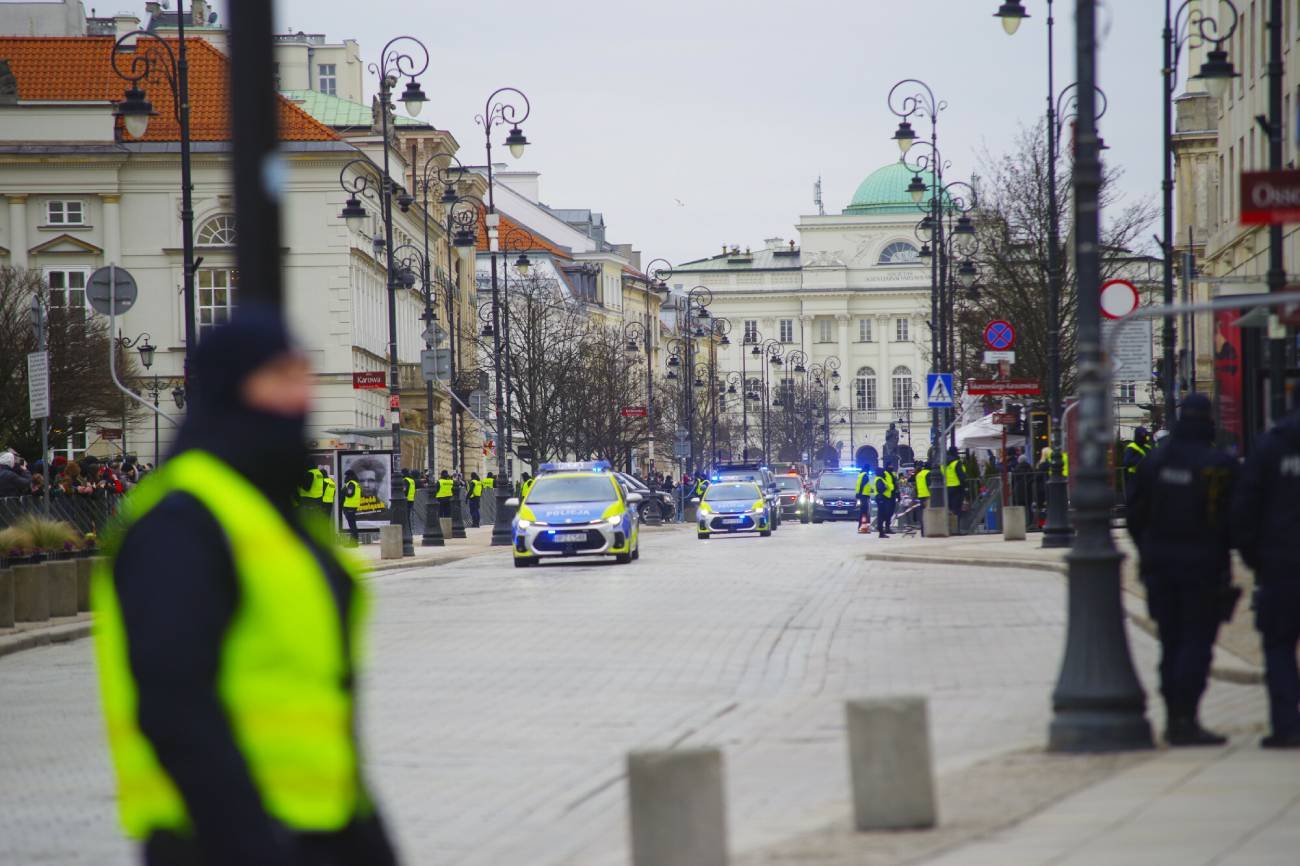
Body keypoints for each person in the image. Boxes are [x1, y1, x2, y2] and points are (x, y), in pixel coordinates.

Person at [91, 307, 398, 865]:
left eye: (302, 374)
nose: (299, 395)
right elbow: (173, 702)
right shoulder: (182, 517)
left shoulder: (276, 518)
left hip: (321, 827)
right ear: (232, 388)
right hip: (213, 838)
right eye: (278, 376)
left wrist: (367, 837)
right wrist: (249, 843)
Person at [1126, 394, 1236, 747]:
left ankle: (1174, 715)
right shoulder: (1217, 464)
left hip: (1159, 566)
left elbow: (1134, 515)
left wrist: (1147, 550)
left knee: (1170, 642)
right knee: (1196, 642)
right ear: (1208, 421)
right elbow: (1233, 519)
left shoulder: (1155, 461)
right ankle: (1186, 718)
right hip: (1204, 567)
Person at [1232, 397, 1300, 749]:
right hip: (1278, 562)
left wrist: (1257, 560)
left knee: (1278, 647)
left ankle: (1287, 726)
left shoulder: (1269, 448)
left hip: (1280, 565)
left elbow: (1245, 510)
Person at [944, 446, 967, 530]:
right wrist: (965, 487)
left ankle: (950, 528)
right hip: (957, 488)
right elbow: (961, 476)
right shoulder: (956, 463)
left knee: (950, 509)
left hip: (947, 488)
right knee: (957, 509)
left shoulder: (944, 463)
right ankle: (957, 528)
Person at [875, 461, 899, 538]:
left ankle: (884, 528)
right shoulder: (882, 477)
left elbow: (894, 484)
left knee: (888, 513)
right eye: (890, 465)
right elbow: (881, 488)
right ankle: (881, 529)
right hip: (884, 497)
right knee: (883, 514)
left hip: (888, 496)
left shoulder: (891, 474)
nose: (892, 467)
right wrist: (886, 488)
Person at [341, 469, 361, 543]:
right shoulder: (356, 483)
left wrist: (343, 491)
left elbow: (350, 493)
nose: (345, 477)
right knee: (353, 524)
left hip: (349, 506)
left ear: (349, 476)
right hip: (353, 506)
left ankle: (353, 542)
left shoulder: (351, 483)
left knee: (352, 525)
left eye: (346, 476)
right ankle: (354, 541)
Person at [913, 461, 931, 536]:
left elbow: (916, 487)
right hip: (928, 496)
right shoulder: (928, 473)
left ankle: (923, 531)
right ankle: (929, 530)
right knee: (929, 514)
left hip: (921, 496)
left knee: (922, 515)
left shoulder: (918, 475)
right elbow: (929, 484)